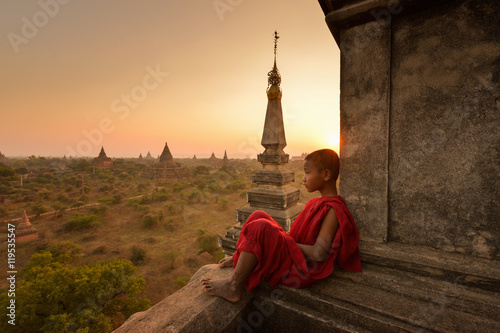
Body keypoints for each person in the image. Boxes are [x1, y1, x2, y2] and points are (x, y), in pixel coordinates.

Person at [201, 149, 361, 302]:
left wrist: (284, 241)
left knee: (262, 227)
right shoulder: (315, 202)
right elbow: (293, 237)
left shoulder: (333, 209)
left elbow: (318, 253)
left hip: (301, 267)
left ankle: (233, 285)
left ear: (325, 174)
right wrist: (284, 240)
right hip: (292, 254)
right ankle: (241, 258)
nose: (303, 179)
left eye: (307, 172)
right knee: (258, 215)